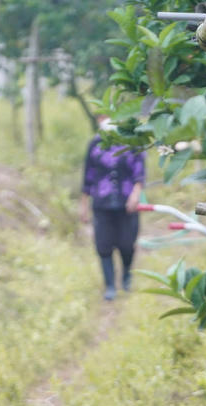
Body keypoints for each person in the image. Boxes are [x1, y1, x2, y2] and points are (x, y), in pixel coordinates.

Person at [79, 114, 145, 300]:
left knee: (127, 244)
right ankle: (110, 286)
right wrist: (83, 204)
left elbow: (139, 172)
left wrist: (135, 194)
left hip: (127, 202)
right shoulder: (95, 144)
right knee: (103, 245)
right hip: (102, 203)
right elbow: (88, 176)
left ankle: (126, 276)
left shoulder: (132, 142)